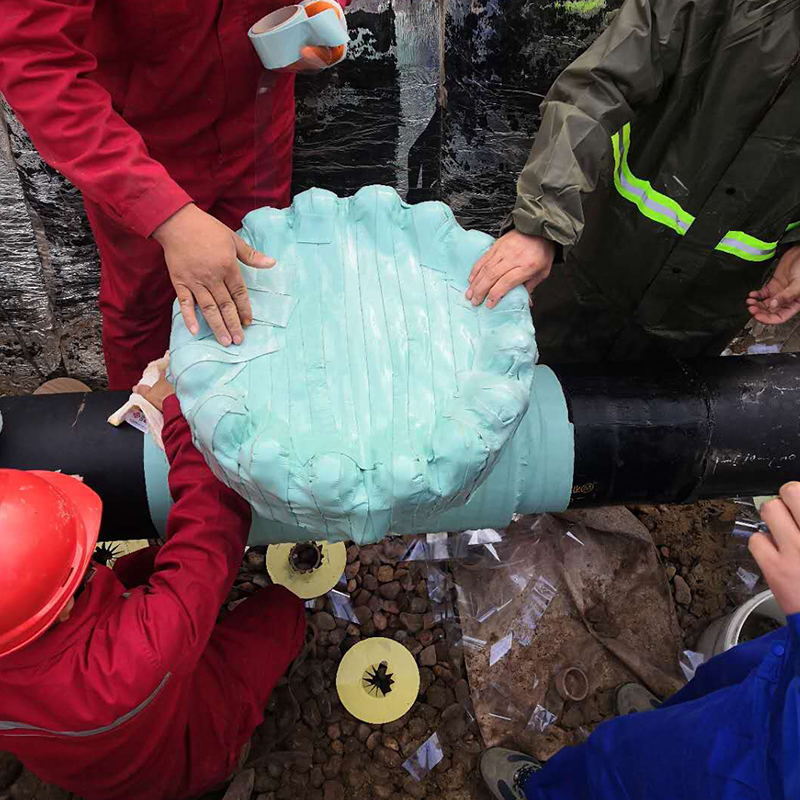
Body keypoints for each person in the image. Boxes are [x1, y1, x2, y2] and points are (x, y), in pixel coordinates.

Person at [0, 0, 348, 391]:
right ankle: (146, 432)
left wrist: (321, 12)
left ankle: (245, 420)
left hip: (256, 122)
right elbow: (38, 63)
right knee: (145, 307)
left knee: (258, 283)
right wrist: (166, 215)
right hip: (137, 151)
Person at [0, 374, 304, 800]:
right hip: (185, 756)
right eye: (78, 566)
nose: (86, 562)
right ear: (62, 607)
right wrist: (179, 417)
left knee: (154, 568)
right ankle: (228, 755)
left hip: (94, 754)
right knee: (282, 610)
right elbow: (214, 528)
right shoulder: (134, 653)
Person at [466, 0, 800, 363]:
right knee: (519, 380)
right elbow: (597, 88)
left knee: (646, 417)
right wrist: (542, 222)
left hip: (701, 317)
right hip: (593, 261)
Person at [480, 481, 800, 800]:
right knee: (724, 683)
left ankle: (553, 792)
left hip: (767, 769)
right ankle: (667, 720)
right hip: (785, 668)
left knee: (628, 774)